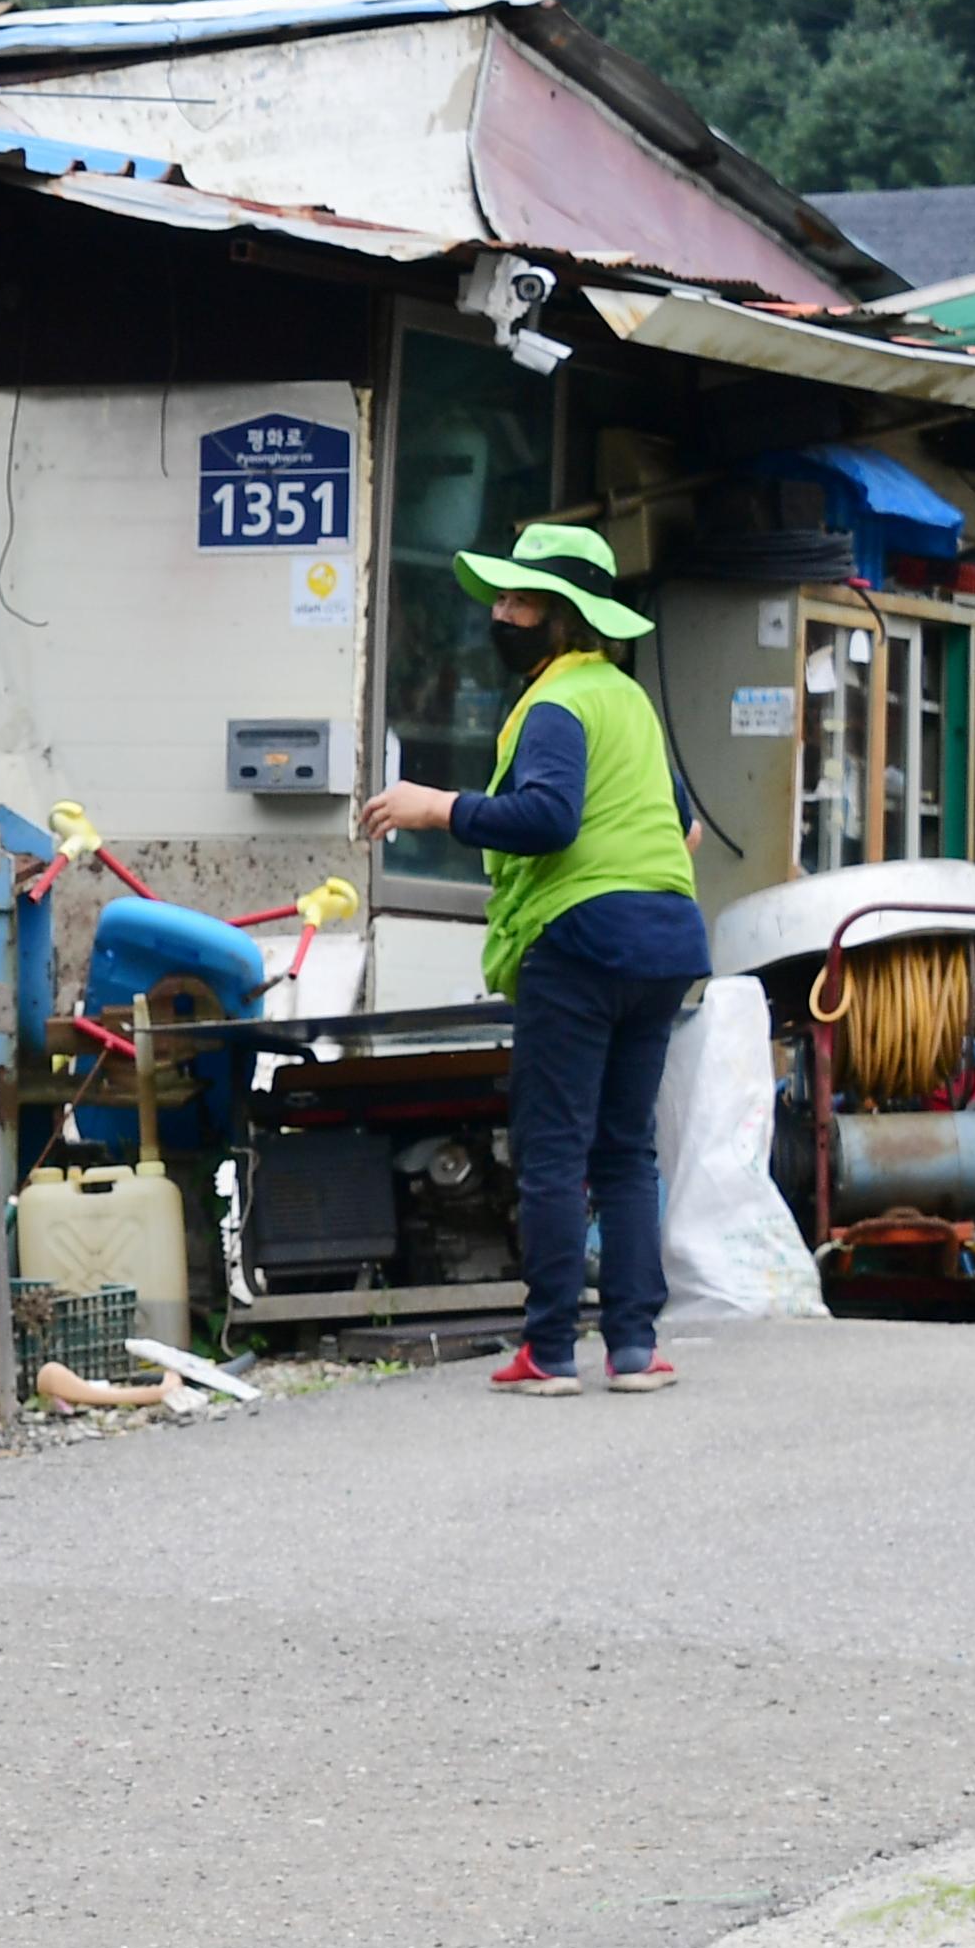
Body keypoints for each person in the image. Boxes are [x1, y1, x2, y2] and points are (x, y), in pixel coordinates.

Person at [358, 521, 706, 1397]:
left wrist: (437, 806)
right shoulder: (628, 701)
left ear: (566, 619)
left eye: (520, 602)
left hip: (580, 944)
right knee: (627, 1151)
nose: (502, 615)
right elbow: (686, 826)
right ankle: (634, 1348)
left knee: (554, 1148)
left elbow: (550, 818)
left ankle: (549, 1351)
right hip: (663, 940)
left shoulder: (555, 705)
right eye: (502, 600)